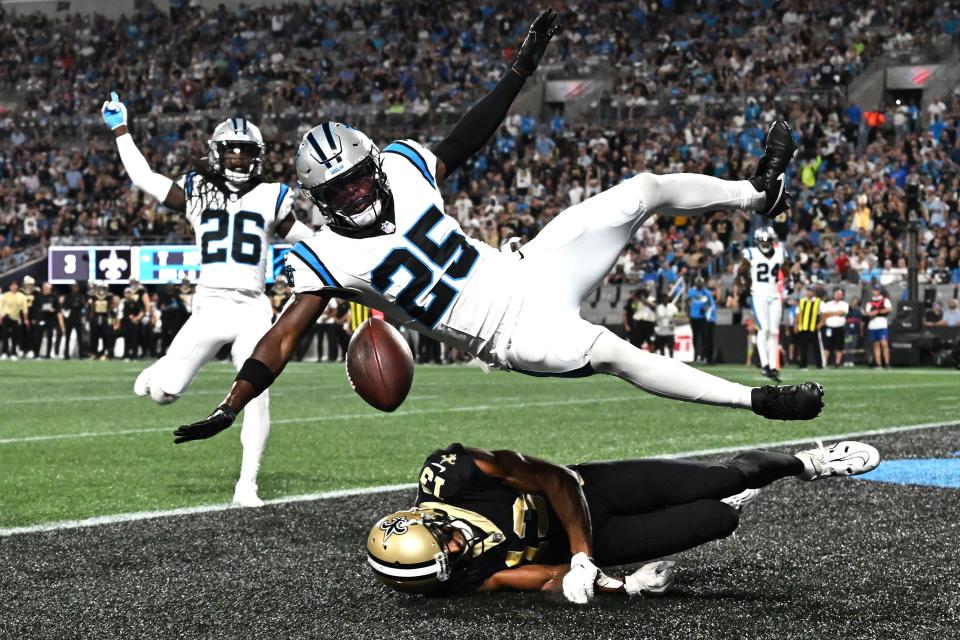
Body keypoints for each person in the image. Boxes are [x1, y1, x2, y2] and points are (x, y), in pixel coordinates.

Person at [173, 8, 822, 449]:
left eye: (360, 176)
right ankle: (759, 404)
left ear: (374, 163)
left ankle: (757, 194)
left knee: (643, 191)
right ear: (322, 198)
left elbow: (466, 136)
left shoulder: (402, 168)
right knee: (617, 354)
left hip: (528, 268)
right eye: (340, 189)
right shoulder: (326, 258)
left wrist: (518, 71)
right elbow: (283, 337)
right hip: (516, 335)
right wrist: (232, 405)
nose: (359, 191)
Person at [101, 93, 315, 507]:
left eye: (245, 151)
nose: (237, 158)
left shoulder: (273, 195)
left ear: (258, 156)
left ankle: (247, 484)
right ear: (217, 154)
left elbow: (304, 237)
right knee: (165, 393)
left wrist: (343, 243)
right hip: (210, 305)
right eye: (230, 151)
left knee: (257, 392)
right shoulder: (197, 191)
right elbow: (144, 178)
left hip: (254, 307)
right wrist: (120, 130)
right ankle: (158, 373)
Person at [365, 440, 880, 600]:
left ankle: (808, 463)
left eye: (447, 545)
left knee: (717, 480)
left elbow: (554, 480)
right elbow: (537, 576)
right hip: (595, 548)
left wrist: (581, 553)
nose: (458, 551)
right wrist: (618, 585)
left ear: (427, 521)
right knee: (717, 520)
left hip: (589, 494)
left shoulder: (455, 476)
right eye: (447, 563)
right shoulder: (457, 574)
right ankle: (744, 494)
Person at [737, 226, 786, 382]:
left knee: (773, 331)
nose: (765, 243)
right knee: (763, 329)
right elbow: (742, 272)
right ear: (757, 240)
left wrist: (792, 281)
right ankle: (765, 365)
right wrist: (746, 286)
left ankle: (773, 366)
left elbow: (788, 269)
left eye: (768, 240)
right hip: (759, 295)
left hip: (775, 295)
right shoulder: (751, 253)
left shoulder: (780, 252)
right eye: (762, 240)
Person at [30, 281, 64, 359]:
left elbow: (58, 308)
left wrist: (53, 310)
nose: (47, 289)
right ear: (43, 288)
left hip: (50, 319)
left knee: (50, 337)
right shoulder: (38, 296)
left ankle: (48, 354)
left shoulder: (54, 296)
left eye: (48, 288)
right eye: (45, 287)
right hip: (40, 318)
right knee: (38, 336)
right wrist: (34, 318)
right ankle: (36, 354)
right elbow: (34, 308)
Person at [795, 286, 824, 369]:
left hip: (813, 328)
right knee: (803, 347)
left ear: (814, 293)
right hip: (803, 327)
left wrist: (820, 323)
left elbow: (823, 314)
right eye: (808, 291)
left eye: (811, 291)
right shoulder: (802, 301)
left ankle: (819, 364)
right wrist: (796, 325)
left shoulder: (818, 302)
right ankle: (803, 364)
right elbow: (798, 314)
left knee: (816, 347)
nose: (809, 293)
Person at [819, 287, 849, 367]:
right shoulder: (828, 304)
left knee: (839, 346)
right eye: (837, 293)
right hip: (829, 327)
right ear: (833, 294)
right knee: (827, 345)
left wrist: (830, 313)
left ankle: (837, 363)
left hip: (839, 327)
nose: (838, 295)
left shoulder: (844, 304)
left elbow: (843, 313)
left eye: (840, 294)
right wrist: (836, 313)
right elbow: (824, 314)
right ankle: (824, 362)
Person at [0, 281, 29, 360]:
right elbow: (1, 307)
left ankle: (13, 353)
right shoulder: (6, 295)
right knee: (4, 336)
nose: (14, 287)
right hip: (6, 317)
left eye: (15, 285)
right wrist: (0, 317)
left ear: (17, 286)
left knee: (15, 337)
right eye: (12, 285)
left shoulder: (22, 296)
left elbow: (24, 309)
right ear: (10, 287)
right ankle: (4, 353)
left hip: (16, 318)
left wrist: (26, 319)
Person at [687, 277, 714, 363]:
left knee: (704, 338)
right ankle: (695, 356)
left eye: (701, 283)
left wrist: (705, 308)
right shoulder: (691, 292)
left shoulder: (707, 293)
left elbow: (710, 304)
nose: (699, 284)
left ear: (703, 283)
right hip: (693, 317)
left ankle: (703, 356)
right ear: (695, 283)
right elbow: (688, 302)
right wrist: (688, 314)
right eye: (698, 283)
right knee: (695, 337)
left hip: (702, 318)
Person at [865, 284, 892, 369]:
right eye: (874, 290)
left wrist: (877, 312)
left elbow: (889, 309)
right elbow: (868, 313)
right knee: (876, 345)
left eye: (877, 290)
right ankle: (878, 363)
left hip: (882, 324)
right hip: (873, 325)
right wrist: (871, 314)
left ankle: (887, 363)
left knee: (884, 344)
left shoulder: (885, 300)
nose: (875, 292)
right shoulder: (869, 302)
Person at [60, 283, 87, 359]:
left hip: (78, 319)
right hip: (69, 319)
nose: (74, 288)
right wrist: (73, 305)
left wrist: (74, 305)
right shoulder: (68, 296)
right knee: (67, 337)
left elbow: (82, 305)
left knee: (80, 337)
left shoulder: (81, 296)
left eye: (75, 287)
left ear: (78, 288)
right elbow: (65, 305)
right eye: (73, 287)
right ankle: (66, 354)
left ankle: (81, 354)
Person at [653, 293, 678, 358]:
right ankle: (662, 363)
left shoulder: (672, 307)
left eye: (666, 298)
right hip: (661, 332)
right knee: (661, 349)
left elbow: (675, 315)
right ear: (662, 299)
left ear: (668, 299)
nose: (665, 300)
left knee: (671, 349)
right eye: (664, 298)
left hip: (670, 331)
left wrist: (672, 320)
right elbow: (658, 317)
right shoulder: (659, 307)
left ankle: (672, 361)